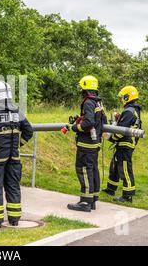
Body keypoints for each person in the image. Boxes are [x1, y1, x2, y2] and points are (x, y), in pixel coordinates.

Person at [0, 81, 33, 228]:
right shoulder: (17, 112)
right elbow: (29, 131)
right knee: (13, 186)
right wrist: (18, 144)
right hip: (14, 158)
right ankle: (14, 219)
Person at [65, 75, 107, 212]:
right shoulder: (98, 102)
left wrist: (75, 128)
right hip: (95, 143)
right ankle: (93, 199)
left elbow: (89, 122)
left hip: (86, 144)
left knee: (83, 169)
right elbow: (103, 120)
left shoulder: (88, 102)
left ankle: (85, 202)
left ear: (85, 88)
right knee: (93, 169)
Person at [102, 86, 142, 203]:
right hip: (124, 143)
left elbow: (121, 131)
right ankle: (111, 188)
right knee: (114, 166)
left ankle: (127, 195)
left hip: (126, 144)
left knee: (125, 169)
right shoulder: (132, 110)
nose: (120, 100)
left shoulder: (129, 111)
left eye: (121, 97)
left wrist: (110, 137)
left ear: (127, 97)